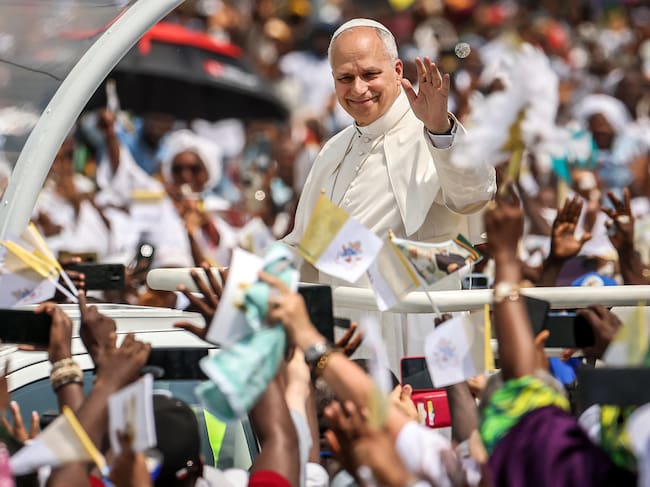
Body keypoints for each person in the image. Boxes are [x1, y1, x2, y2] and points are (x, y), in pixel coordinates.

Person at [283, 18, 496, 367]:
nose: (358, 89)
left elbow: (473, 195)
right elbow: (308, 245)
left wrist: (440, 129)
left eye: (370, 74)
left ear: (397, 70)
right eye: (345, 78)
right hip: (350, 334)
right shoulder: (335, 149)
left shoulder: (430, 129)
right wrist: (239, 272)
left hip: (419, 328)